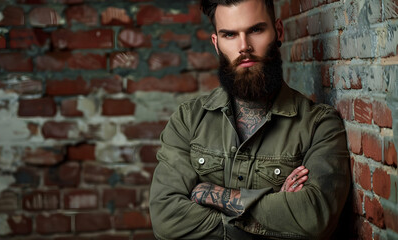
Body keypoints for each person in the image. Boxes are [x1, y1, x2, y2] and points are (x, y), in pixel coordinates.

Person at [149, 0, 351, 239]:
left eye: (255, 30)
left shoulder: (319, 126)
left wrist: (210, 194)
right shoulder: (188, 121)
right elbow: (166, 219)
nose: (244, 47)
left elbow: (314, 219)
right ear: (217, 43)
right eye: (230, 35)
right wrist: (275, 215)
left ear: (278, 31)